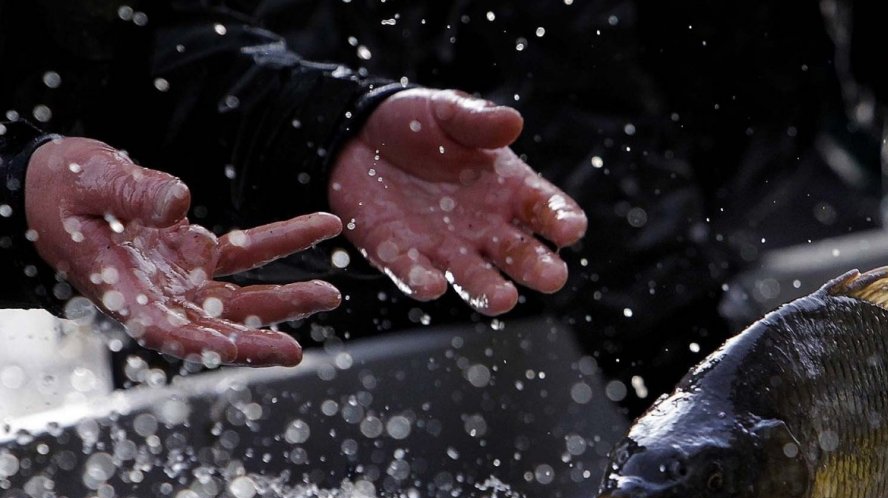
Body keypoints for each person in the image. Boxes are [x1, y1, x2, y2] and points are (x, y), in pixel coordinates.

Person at [0, 2, 586, 366]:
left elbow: (129, 48)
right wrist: (17, 190)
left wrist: (326, 123)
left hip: (186, 269)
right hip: (180, 293)